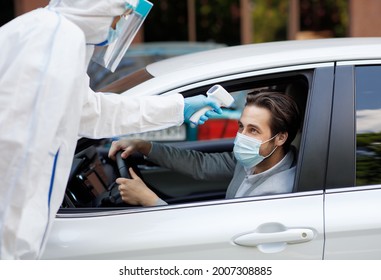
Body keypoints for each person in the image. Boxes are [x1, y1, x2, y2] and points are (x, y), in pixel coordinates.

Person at [0, 0, 222, 259]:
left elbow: (89, 111)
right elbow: (18, 153)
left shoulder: (54, 34)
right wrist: (11, 253)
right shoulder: (55, 38)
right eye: (121, 14)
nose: (118, 25)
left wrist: (177, 107)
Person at [109, 90, 302, 207]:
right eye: (241, 127)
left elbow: (221, 241)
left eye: (253, 130)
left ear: (281, 138)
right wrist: (144, 146)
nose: (241, 137)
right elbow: (200, 164)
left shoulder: (275, 193)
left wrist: (149, 200)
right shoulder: (256, 159)